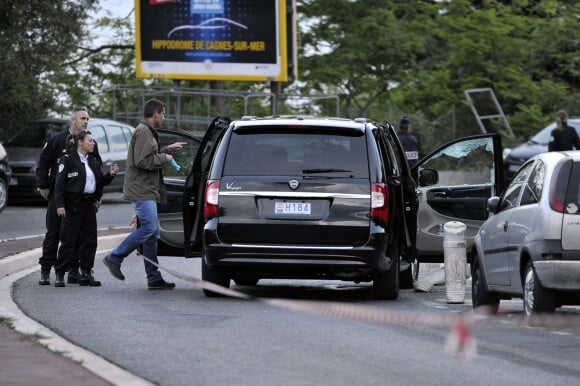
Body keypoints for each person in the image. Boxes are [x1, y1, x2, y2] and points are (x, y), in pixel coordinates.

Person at [103, 98, 186, 290]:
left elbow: (147, 156)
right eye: (163, 114)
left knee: (152, 234)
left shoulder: (146, 132)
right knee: (149, 228)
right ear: (156, 114)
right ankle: (115, 257)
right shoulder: (143, 132)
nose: (164, 118)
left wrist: (166, 150)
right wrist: (164, 158)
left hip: (146, 188)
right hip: (141, 190)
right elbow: (142, 161)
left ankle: (154, 278)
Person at [36, 107, 115, 285]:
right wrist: (43, 186)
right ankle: (46, 270)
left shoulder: (89, 142)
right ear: (73, 120)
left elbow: (96, 170)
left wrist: (97, 196)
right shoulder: (57, 140)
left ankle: (74, 270)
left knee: (77, 235)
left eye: (87, 119)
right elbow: (43, 163)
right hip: (59, 196)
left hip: (79, 200)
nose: (86, 121)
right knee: (54, 234)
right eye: (82, 118)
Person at [53, 130, 117, 287]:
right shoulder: (67, 160)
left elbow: (99, 182)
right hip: (73, 205)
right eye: (90, 141)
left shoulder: (93, 161)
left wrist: (110, 175)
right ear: (80, 142)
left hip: (89, 205)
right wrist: (60, 205)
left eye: (93, 141)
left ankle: (86, 273)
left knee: (89, 240)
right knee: (68, 241)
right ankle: (60, 273)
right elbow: (59, 186)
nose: (93, 143)